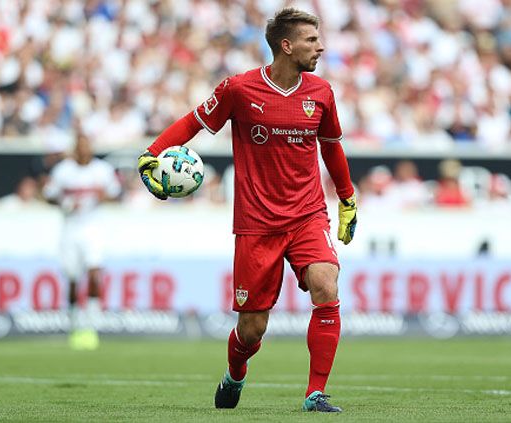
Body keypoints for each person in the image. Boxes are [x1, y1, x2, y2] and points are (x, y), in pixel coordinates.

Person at [137, 8, 356, 413]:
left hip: (308, 214)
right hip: (257, 224)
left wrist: (346, 197)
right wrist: (152, 153)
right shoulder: (239, 89)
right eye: (311, 40)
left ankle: (315, 393)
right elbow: (194, 122)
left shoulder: (321, 92)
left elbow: (331, 147)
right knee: (252, 329)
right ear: (286, 46)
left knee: (327, 284)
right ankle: (235, 372)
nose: (320, 46)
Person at [43, 133, 121, 351]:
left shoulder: (101, 170)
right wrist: (65, 202)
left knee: (95, 273)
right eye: (79, 146)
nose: (83, 149)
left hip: (93, 228)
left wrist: (101, 196)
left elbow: (115, 194)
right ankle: (75, 323)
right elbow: (49, 194)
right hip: (70, 228)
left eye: (86, 145)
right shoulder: (63, 171)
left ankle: (92, 325)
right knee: (73, 279)